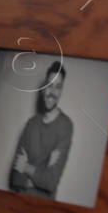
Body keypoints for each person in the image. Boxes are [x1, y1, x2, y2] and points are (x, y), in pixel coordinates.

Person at [9, 59, 74, 200]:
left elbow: (50, 181)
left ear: (61, 91)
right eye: (50, 85)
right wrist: (39, 176)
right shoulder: (31, 124)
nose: (52, 92)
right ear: (43, 88)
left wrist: (25, 167)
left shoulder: (65, 126)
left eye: (58, 87)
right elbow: (15, 178)